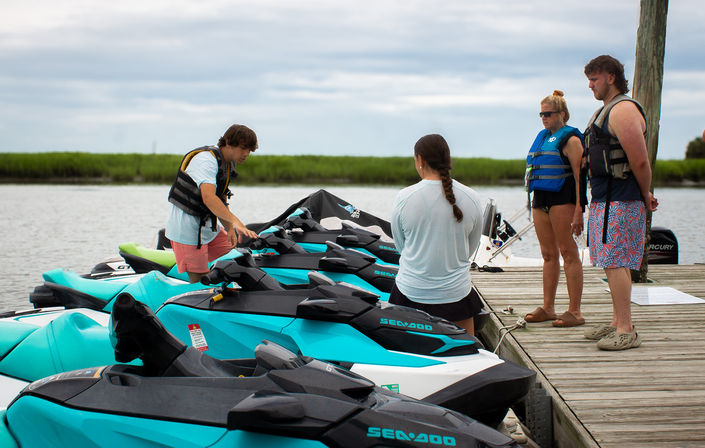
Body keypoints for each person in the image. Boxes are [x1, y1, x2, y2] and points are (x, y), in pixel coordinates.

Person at [582, 55, 658, 350]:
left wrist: (645, 193)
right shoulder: (606, 111)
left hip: (622, 199)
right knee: (610, 262)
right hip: (605, 198)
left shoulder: (623, 110)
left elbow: (639, 160)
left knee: (616, 262)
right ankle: (616, 321)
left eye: (594, 79)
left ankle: (627, 329)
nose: (590, 85)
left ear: (611, 77)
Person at [389, 134, 484, 334]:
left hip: (410, 292)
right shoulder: (472, 198)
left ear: (420, 160)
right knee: (468, 353)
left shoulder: (404, 197)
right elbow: (470, 248)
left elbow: (401, 246)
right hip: (456, 295)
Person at [165, 124, 260, 283]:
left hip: (208, 228)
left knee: (234, 256)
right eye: (243, 148)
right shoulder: (206, 161)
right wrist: (235, 222)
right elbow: (209, 198)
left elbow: (221, 198)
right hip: (188, 231)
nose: (246, 154)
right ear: (228, 142)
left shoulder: (226, 163)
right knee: (200, 281)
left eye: (250, 150)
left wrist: (230, 228)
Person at [524, 90, 586, 327]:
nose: (544, 118)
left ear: (562, 114)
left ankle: (575, 311)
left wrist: (580, 208)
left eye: (548, 114)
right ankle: (548, 308)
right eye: (541, 114)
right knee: (548, 254)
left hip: (563, 198)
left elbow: (581, 177)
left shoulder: (570, 139)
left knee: (568, 252)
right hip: (541, 199)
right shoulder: (542, 137)